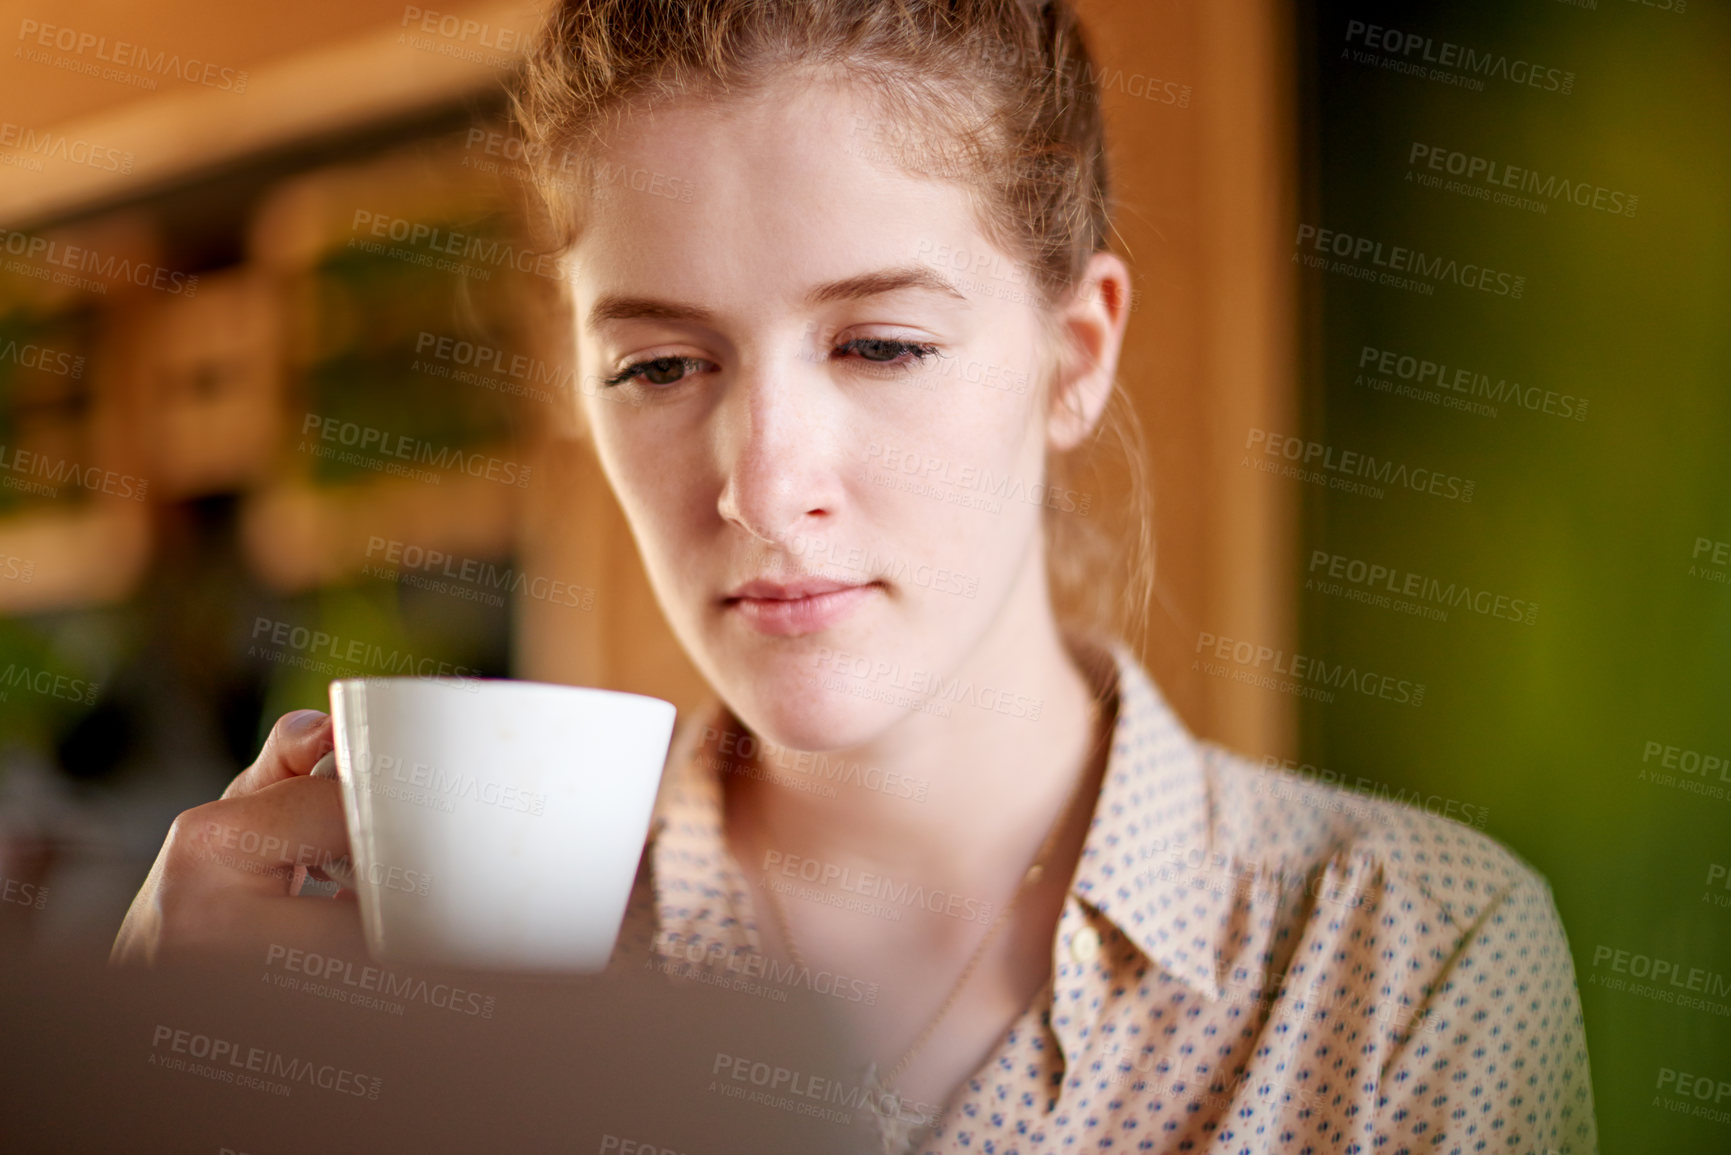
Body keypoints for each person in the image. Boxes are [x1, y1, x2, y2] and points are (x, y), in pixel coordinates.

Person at [114, 1, 1599, 1152]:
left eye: (880, 345)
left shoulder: (1402, 958)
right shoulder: (426, 965)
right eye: (659, 364)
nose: (763, 487)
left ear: (1074, 356)